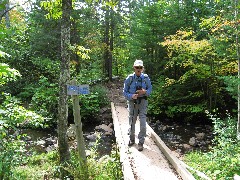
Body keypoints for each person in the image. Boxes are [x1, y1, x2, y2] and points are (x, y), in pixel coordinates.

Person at [123, 59, 152, 151]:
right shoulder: (129, 78)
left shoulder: (146, 78)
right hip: (132, 103)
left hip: (143, 102)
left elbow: (150, 89)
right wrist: (132, 96)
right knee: (132, 121)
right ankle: (132, 140)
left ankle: (141, 142)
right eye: (137, 67)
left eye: (140, 67)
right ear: (134, 68)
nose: (138, 69)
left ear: (143, 68)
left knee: (143, 122)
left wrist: (145, 92)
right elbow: (124, 92)